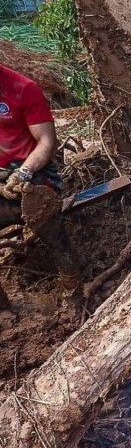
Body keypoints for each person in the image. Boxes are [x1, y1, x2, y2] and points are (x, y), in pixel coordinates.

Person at [0, 63, 78, 290]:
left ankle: (72, 282)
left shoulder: (23, 88)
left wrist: (23, 172)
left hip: (31, 169)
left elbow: (47, 142)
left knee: (39, 208)